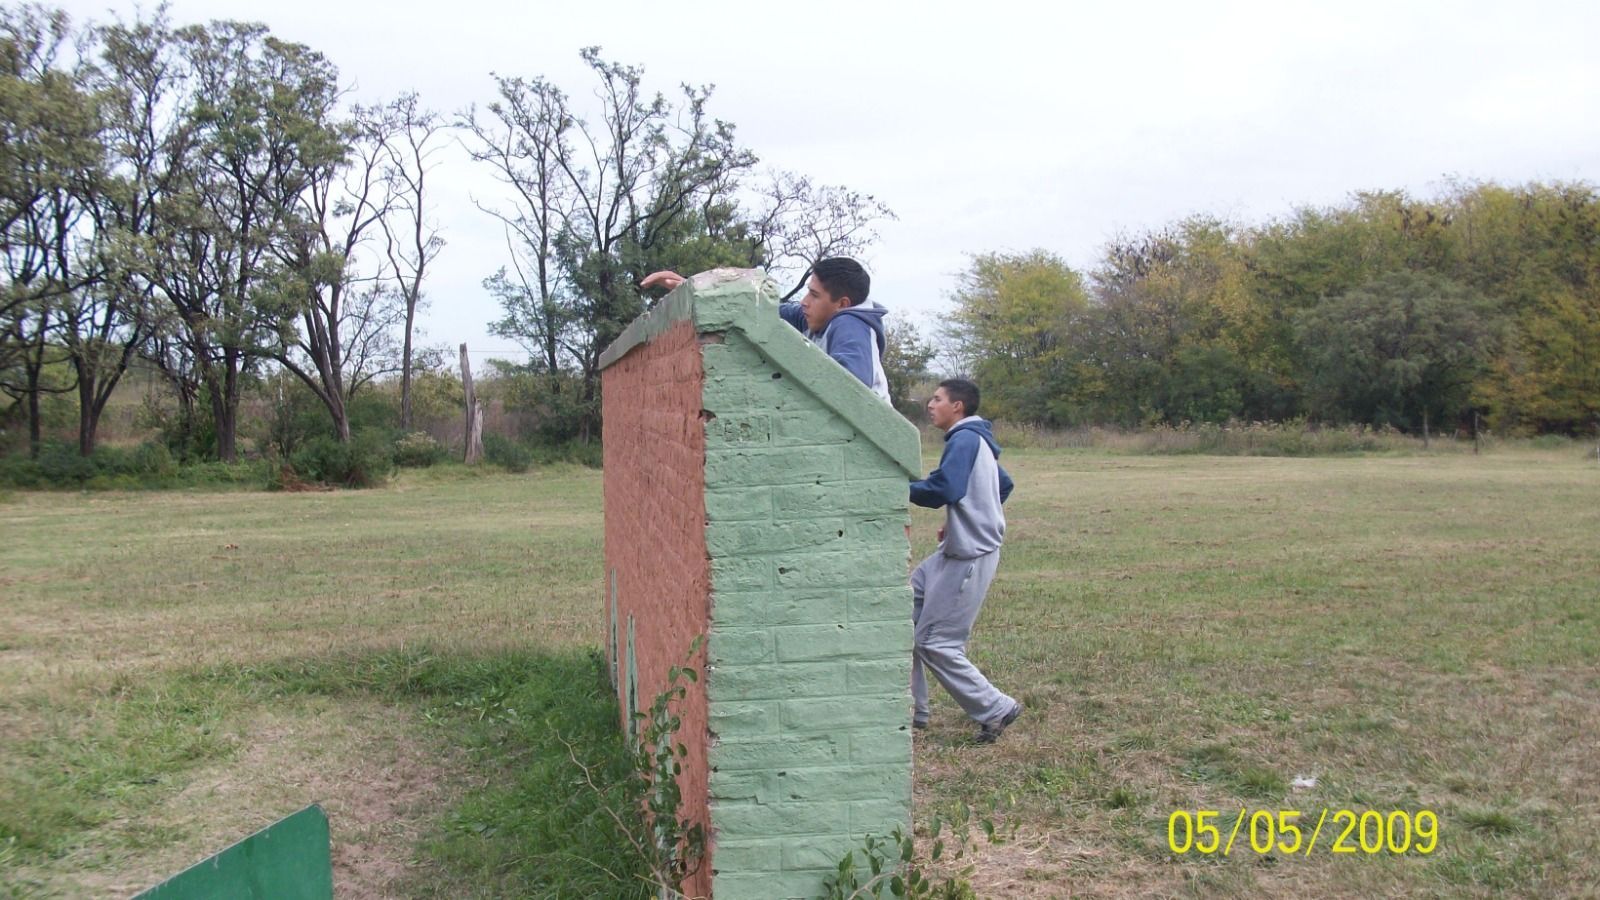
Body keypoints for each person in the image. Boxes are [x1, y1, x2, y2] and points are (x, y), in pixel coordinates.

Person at [908, 378, 1021, 743]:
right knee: (902, 609)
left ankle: (996, 708)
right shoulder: (976, 440)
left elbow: (944, 488)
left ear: (958, 407)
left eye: (938, 399)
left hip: (970, 555)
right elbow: (1003, 485)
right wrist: (958, 516)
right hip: (952, 551)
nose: (931, 404)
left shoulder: (964, 439)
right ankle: (914, 710)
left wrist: (892, 486)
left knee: (934, 641)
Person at [640, 258, 891, 402]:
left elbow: (852, 388)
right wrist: (694, 288)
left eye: (814, 295)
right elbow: (759, 308)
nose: (804, 301)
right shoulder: (816, 317)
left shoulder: (851, 324)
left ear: (842, 304)